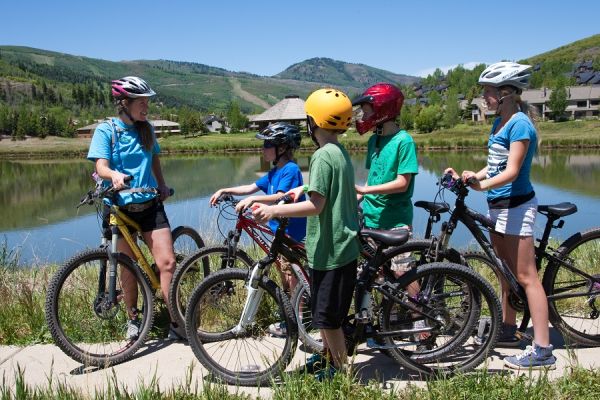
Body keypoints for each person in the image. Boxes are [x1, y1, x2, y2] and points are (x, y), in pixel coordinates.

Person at [445, 61, 556, 369]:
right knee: (503, 269)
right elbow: (494, 166)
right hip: (498, 205)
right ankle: (508, 329)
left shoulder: (520, 124)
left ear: (506, 93)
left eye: (488, 92)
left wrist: (481, 185)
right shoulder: (498, 124)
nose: (484, 97)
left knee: (526, 277)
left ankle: (543, 351)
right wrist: (471, 175)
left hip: (517, 205)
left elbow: (512, 171)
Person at [252, 88, 360, 380]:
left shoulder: (322, 157)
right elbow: (326, 191)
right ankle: (327, 357)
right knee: (325, 311)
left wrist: (274, 211)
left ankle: (339, 370)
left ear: (313, 122)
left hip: (332, 249)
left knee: (328, 317)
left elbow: (316, 205)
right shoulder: (338, 152)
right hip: (339, 246)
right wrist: (303, 188)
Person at [87, 76, 184, 341]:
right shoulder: (107, 130)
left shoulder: (147, 129)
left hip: (150, 205)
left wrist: (162, 186)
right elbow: (100, 166)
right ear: (123, 103)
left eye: (147, 101)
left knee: (167, 263)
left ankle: (176, 321)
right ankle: (133, 318)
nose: (146, 106)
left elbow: (154, 159)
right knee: (127, 268)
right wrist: (113, 175)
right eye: (141, 102)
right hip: (120, 210)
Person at [209, 122, 307, 336]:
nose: (263, 149)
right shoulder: (274, 171)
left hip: (292, 232)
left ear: (281, 147)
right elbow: (250, 187)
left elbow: (280, 196)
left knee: (292, 276)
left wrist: (253, 199)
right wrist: (225, 189)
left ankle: (298, 323)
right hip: (278, 233)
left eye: (267, 145)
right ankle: (292, 318)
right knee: (284, 275)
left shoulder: (290, 169)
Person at [352, 83, 425, 339]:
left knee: (404, 272)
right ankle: (391, 323)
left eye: (366, 109)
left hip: (395, 220)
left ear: (382, 109)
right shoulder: (375, 140)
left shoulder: (403, 141)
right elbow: (374, 178)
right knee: (379, 275)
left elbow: (402, 183)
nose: (363, 115)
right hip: (371, 219)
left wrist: (366, 190)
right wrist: (358, 197)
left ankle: (420, 323)